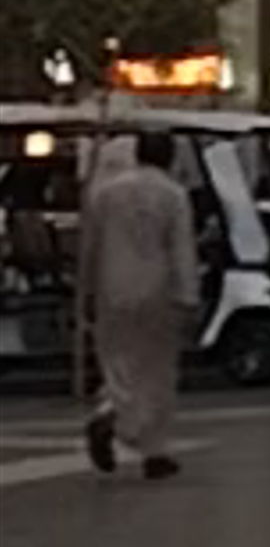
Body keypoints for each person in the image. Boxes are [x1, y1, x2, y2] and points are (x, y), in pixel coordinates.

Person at [74, 132, 196, 485]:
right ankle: (153, 450)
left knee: (118, 362)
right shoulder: (174, 196)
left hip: (112, 288)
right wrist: (188, 296)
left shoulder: (105, 193)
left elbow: (90, 248)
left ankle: (109, 409)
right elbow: (181, 250)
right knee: (157, 370)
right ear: (169, 157)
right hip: (158, 289)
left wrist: (85, 293)